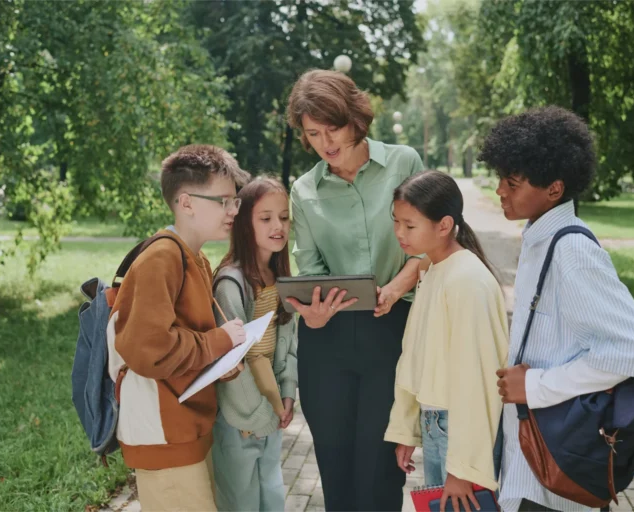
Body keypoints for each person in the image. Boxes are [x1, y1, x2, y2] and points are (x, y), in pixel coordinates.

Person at [479, 106, 634, 512]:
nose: (500, 191)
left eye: (513, 182)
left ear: (554, 189)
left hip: (559, 474)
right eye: (499, 178)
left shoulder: (571, 250)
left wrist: (537, 386)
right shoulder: (541, 239)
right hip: (536, 461)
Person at [285, 69, 425, 510]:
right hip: (328, 342)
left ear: (355, 119)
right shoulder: (304, 190)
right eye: (312, 133)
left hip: (394, 334)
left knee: (380, 474)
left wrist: (402, 280)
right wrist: (312, 311)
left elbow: (440, 242)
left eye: (333, 128)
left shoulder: (404, 163)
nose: (325, 142)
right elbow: (310, 269)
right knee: (338, 476)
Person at [108, 145, 250, 512]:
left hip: (185, 429)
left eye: (235, 201)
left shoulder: (194, 257)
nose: (234, 210)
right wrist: (218, 341)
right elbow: (150, 350)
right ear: (186, 202)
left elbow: (187, 340)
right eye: (224, 201)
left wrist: (222, 359)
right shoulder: (162, 258)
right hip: (165, 436)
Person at [384, 171, 509, 512]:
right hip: (437, 424)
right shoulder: (434, 270)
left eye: (410, 226)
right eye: (396, 222)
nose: (399, 233)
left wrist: (463, 469)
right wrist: (409, 429)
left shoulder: (467, 281)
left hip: (460, 431)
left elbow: (479, 381)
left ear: (444, 225)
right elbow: (418, 355)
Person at [210, 177, 298, 511]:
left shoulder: (280, 278)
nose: (278, 226)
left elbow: (288, 341)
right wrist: (258, 415)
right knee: (241, 501)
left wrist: (287, 394)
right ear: (245, 224)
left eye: (284, 217)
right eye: (266, 218)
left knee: (272, 497)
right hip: (240, 415)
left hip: (271, 406)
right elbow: (231, 362)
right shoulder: (231, 284)